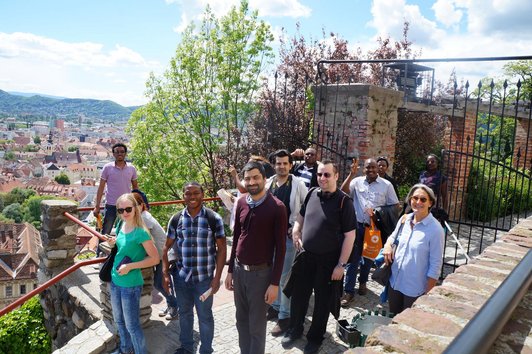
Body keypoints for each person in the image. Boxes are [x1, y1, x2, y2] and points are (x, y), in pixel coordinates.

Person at [281, 159, 356, 354]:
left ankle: (315, 338)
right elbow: (301, 217)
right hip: (306, 257)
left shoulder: (344, 202)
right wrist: (297, 230)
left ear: (337, 176)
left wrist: (341, 265)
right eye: (320, 174)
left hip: (329, 261)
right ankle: (294, 329)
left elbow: (350, 236)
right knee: (299, 296)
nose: (322, 178)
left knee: (322, 303)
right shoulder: (312, 193)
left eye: (327, 174)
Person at [224, 161, 287, 354]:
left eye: (255, 177)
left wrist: (275, 283)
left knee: (257, 327)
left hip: (261, 275)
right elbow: (236, 238)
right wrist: (230, 271)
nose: (251, 182)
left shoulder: (277, 207)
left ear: (264, 179)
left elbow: (281, 249)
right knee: (241, 321)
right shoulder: (241, 202)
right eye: (247, 178)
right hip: (239, 271)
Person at [162, 182, 226, 354]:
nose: (192, 197)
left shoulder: (213, 219)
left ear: (202, 194)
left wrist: (216, 278)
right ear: (183, 196)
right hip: (181, 278)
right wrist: (166, 274)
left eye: (196, 193)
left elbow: (222, 249)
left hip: (204, 280)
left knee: (205, 317)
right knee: (185, 314)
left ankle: (206, 350)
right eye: (188, 193)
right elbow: (166, 247)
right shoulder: (176, 219)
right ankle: (186, 348)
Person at [105, 193, 159, 354]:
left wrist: (130, 266)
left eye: (128, 209)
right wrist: (113, 242)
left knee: (132, 326)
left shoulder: (141, 232)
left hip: (130, 285)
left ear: (137, 208)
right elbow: (123, 247)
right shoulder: (122, 224)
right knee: (119, 321)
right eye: (120, 210)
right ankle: (125, 349)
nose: (124, 212)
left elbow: (155, 258)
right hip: (115, 281)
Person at [340, 158, 399, 306]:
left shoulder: (387, 185)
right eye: (368, 168)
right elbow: (342, 192)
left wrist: (378, 212)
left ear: (378, 169)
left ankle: (363, 282)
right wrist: (350, 175)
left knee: (368, 259)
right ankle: (348, 291)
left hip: (374, 229)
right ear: (363, 169)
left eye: (373, 167)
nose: (371, 170)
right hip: (357, 227)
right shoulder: (357, 181)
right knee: (353, 260)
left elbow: (395, 206)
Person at [264, 149, 307, 337]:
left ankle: (285, 316)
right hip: (269, 238)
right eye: (278, 163)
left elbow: (306, 208)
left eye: (285, 163)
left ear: (291, 165)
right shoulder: (268, 183)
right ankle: (275, 305)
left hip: (288, 238)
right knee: (273, 274)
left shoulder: (298, 184)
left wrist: (296, 227)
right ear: (274, 164)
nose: (281, 166)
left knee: (284, 277)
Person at [383, 184, 444, 314]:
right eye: (415, 198)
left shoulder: (435, 230)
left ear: (430, 203)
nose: (418, 202)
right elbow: (392, 237)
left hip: (415, 289)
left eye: (423, 199)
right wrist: (387, 246)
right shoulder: (405, 219)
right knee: (392, 319)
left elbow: (436, 264)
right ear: (410, 200)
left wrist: (427, 294)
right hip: (395, 283)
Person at [131, 189, 178, 321]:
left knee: (160, 284)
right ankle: (171, 305)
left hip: (164, 255)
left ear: (141, 205)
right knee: (161, 283)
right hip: (160, 254)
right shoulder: (142, 217)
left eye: (133, 206)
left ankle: (174, 306)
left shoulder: (145, 219)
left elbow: (141, 240)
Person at [93, 143, 138, 239]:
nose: (119, 154)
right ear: (113, 154)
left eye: (122, 152)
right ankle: (101, 253)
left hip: (127, 206)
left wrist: (137, 204)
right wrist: (97, 206)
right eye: (117, 152)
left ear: (125, 153)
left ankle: (120, 253)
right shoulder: (107, 168)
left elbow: (135, 188)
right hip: (111, 205)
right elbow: (101, 188)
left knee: (125, 233)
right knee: (105, 232)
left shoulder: (131, 168)